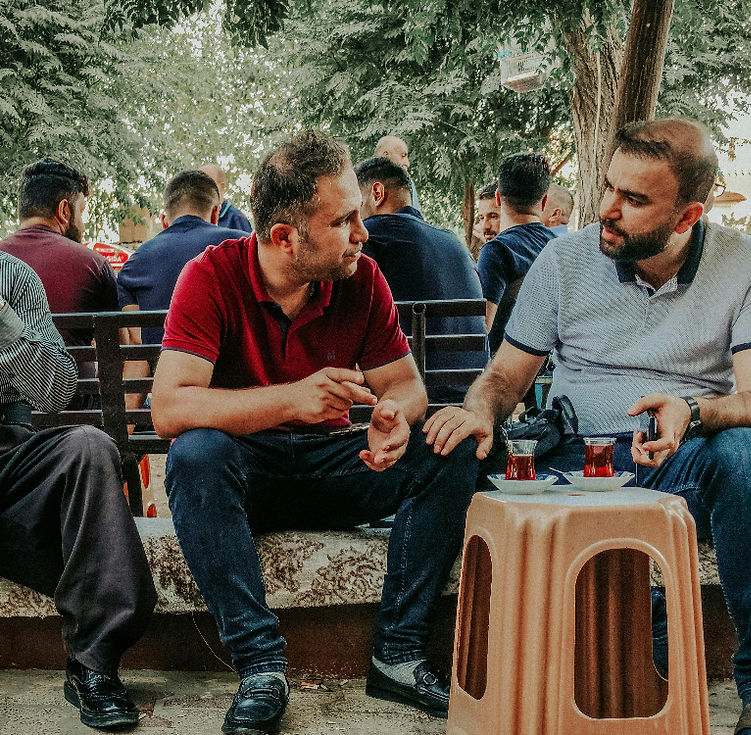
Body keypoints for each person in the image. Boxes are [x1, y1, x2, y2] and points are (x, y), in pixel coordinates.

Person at [425, 118, 751, 735]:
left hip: (679, 455)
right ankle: (414, 655)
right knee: (446, 444)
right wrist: (478, 410)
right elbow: (505, 378)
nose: (607, 209)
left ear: (686, 216)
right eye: (607, 187)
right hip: (574, 459)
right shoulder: (565, 257)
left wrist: (695, 410)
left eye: (634, 200)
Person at [152, 130, 479, 733]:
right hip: (249, 475)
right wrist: (291, 401)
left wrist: (393, 420)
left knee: (448, 444)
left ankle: (398, 655)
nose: (364, 233)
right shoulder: (210, 275)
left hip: (337, 465)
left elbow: (407, 388)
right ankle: (262, 667)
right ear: (285, 237)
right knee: (195, 455)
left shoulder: (362, 278)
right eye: (346, 221)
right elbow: (168, 408)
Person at [0, 251, 156, 730]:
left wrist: (4, 320)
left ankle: (94, 665)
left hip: (8, 459)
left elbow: (56, 390)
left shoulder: (12, 276)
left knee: (88, 446)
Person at [356, 156, 488, 403]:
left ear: (377, 193)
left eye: (355, 203)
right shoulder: (455, 243)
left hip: (403, 398)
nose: (354, 220)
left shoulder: (365, 241)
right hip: (466, 397)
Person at [0, 158, 123, 407]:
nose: (83, 224)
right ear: (64, 211)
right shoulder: (93, 263)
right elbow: (121, 348)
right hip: (76, 412)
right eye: (82, 212)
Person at [116, 170, 248, 346]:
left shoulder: (134, 264)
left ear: (164, 222)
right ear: (216, 213)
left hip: (164, 369)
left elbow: (138, 342)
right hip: (233, 370)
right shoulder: (244, 246)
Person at [476, 152, 555, 350]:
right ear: (544, 201)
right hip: (546, 364)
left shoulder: (497, 251)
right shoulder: (559, 248)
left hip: (503, 366)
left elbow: (480, 328)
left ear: (498, 198)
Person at [200, 163, 253, 232]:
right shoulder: (197, 217)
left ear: (221, 187)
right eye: (199, 185)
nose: (202, 189)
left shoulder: (236, 218)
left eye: (208, 184)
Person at [374, 135, 420, 209]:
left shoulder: (408, 183)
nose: (407, 164)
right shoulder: (363, 181)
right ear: (386, 155)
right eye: (403, 156)